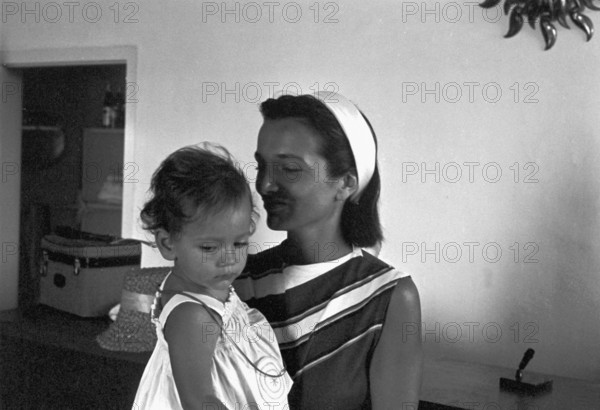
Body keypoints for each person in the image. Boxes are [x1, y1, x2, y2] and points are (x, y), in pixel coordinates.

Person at [234, 91, 423, 409]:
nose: (265, 185)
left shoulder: (388, 297)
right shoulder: (238, 279)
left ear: (346, 183)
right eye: (261, 167)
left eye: (290, 169)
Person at [133, 144, 292, 410]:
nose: (229, 258)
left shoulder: (206, 285)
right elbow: (198, 400)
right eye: (209, 248)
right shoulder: (190, 315)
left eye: (240, 244)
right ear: (167, 243)